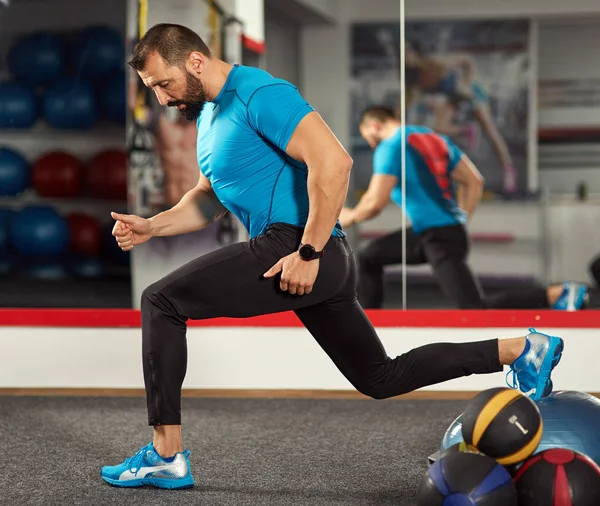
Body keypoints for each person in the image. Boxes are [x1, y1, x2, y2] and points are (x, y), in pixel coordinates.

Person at [101, 24, 565, 490]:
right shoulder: (208, 117)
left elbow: (334, 162)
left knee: (161, 302)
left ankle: (165, 454)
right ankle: (522, 349)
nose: (162, 99)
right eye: (153, 89)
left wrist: (308, 250)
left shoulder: (259, 92)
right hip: (316, 257)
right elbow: (207, 198)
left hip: (297, 246)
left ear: (196, 62)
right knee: (380, 377)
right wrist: (152, 225)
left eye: (164, 84)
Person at [340, 106, 589, 312]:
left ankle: (558, 294)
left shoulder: (390, 145)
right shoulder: (433, 137)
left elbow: (374, 203)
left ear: (373, 125)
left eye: (367, 137)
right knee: (369, 256)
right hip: (433, 233)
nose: (370, 144)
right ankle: (370, 323)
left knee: (474, 308)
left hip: (438, 238)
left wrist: (346, 217)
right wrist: (460, 218)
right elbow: (474, 180)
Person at [404, 41, 518, 194]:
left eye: (407, 52)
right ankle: (465, 131)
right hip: (451, 99)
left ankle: (508, 170)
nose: (405, 57)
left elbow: (467, 60)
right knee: (436, 130)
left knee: (489, 130)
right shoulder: (412, 81)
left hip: (468, 93)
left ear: (415, 53)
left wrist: (466, 82)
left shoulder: (434, 63)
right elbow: (406, 104)